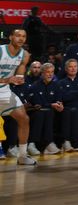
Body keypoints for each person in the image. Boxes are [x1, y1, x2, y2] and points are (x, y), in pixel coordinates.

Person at [0, 28, 38, 165]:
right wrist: (7, 80)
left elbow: (19, 77)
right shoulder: (0, 51)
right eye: (18, 36)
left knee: (24, 118)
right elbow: (9, 79)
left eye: (24, 36)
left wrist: (19, 79)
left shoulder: (25, 55)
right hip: (3, 84)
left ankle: (22, 156)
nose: (21, 38)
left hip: (5, 91)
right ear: (10, 37)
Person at [26, 62, 61, 155]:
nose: (50, 74)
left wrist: (60, 105)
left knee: (49, 112)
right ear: (42, 73)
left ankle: (48, 144)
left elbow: (58, 99)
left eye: (52, 72)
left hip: (51, 111)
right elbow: (38, 103)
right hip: (35, 111)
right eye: (47, 72)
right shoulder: (35, 86)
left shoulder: (56, 85)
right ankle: (32, 144)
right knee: (42, 113)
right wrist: (51, 105)